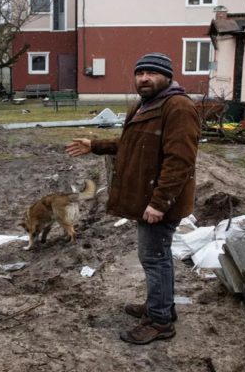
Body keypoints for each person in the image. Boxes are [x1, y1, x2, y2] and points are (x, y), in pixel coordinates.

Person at [65, 52, 200, 345]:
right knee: (155, 257)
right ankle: (160, 307)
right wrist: (95, 146)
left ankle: (160, 321)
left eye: (152, 73)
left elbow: (180, 161)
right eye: (140, 73)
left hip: (160, 202)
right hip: (148, 198)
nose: (144, 78)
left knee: (155, 259)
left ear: (167, 76)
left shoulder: (177, 107)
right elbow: (132, 144)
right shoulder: (145, 105)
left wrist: (159, 203)